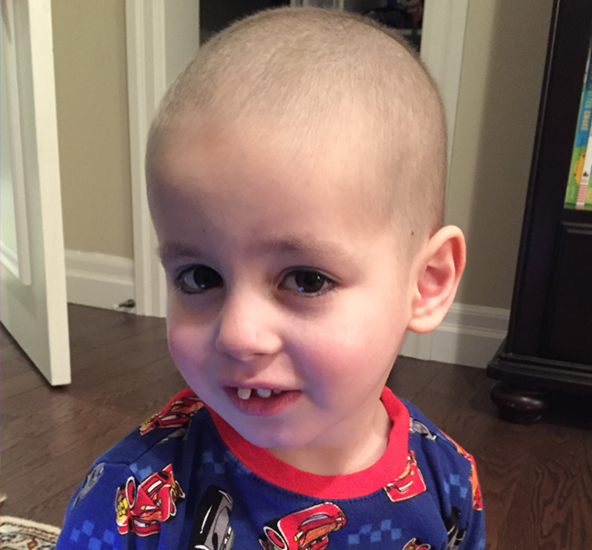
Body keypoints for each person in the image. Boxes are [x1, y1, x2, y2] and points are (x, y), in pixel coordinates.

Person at [56, 7, 484, 550]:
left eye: (305, 280)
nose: (238, 333)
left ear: (425, 284)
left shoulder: (449, 481)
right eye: (200, 276)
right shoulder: (131, 499)